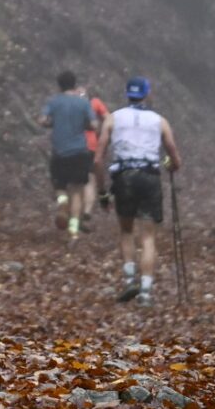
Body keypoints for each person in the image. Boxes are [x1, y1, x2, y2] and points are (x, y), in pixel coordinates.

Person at [97, 76, 181, 304]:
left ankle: (128, 280)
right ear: (147, 94)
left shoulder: (112, 119)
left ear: (128, 94)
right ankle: (145, 292)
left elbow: (98, 159)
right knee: (148, 237)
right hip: (149, 178)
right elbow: (174, 159)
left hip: (124, 177)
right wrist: (166, 164)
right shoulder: (159, 121)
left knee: (126, 231)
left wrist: (102, 192)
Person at [38, 71, 97, 237]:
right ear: (74, 84)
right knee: (77, 191)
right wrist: (86, 126)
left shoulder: (54, 102)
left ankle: (63, 205)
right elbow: (94, 124)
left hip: (60, 152)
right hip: (80, 152)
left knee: (60, 187)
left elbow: (42, 120)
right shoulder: (83, 103)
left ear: (59, 85)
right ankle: (73, 231)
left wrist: (52, 123)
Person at [83, 87, 112, 216]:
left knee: (73, 182)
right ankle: (87, 210)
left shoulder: (68, 105)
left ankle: (73, 211)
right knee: (90, 179)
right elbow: (109, 119)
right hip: (90, 146)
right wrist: (102, 134)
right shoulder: (95, 102)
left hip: (71, 147)